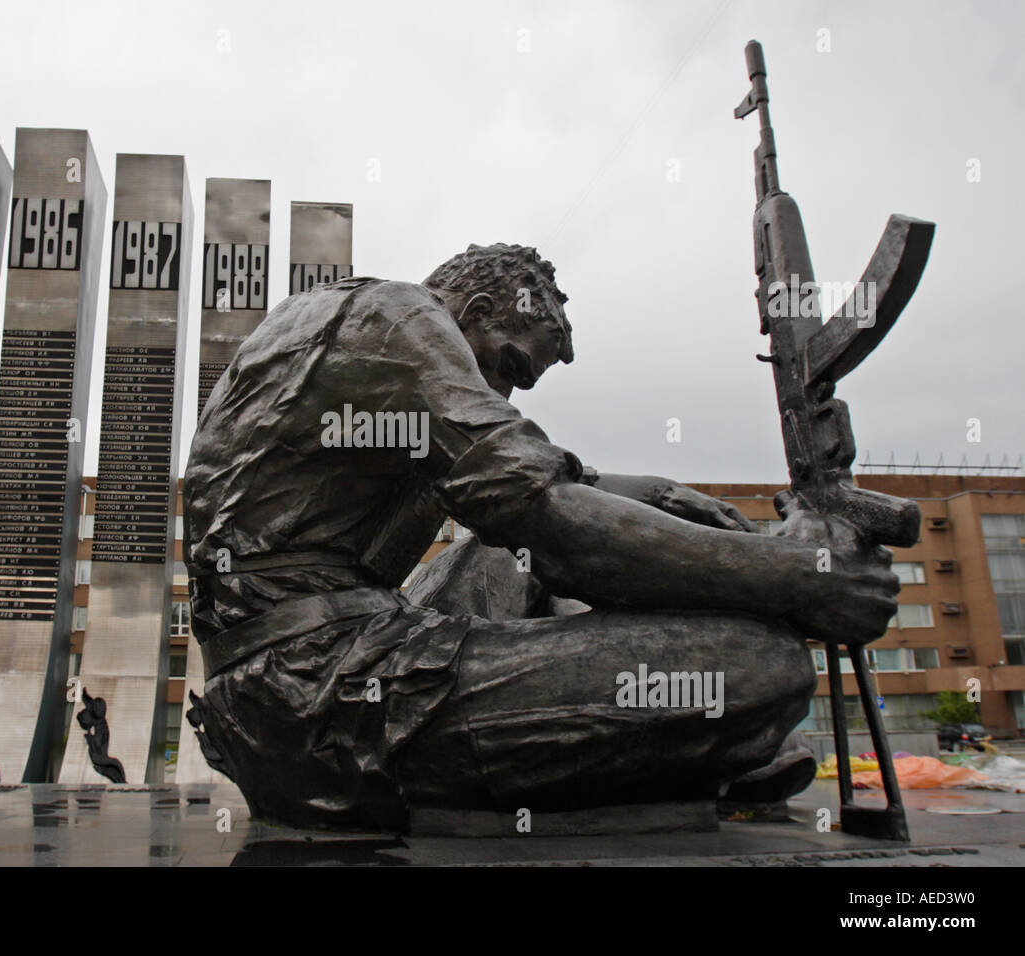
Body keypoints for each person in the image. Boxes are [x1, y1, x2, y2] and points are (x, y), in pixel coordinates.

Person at [183, 242, 899, 831]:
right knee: (762, 665)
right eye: (509, 367)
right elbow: (545, 513)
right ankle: (696, 746)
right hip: (320, 704)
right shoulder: (398, 321)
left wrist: (665, 496)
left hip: (290, 676)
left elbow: (552, 486)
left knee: (504, 553)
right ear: (479, 308)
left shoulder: (350, 329)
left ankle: (693, 744)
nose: (506, 396)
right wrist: (800, 575)